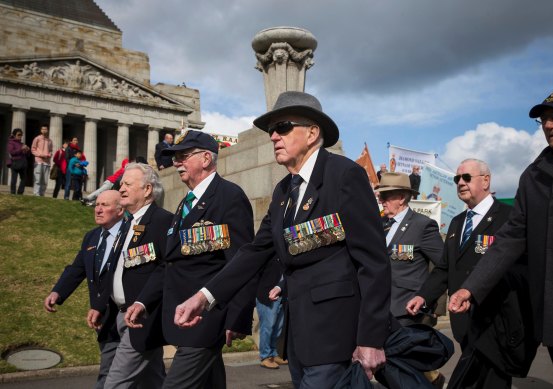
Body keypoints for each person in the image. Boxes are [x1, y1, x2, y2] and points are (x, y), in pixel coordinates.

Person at [173, 91, 396, 389]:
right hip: (298, 337)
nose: (273, 136)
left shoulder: (344, 175)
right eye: (271, 131)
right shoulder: (284, 191)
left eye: (283, 127)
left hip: (335, 334)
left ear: (313, 133)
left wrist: (370, 338)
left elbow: (373, 262)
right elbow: (255, 250)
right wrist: (205, 296)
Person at [449, 91, 553, 388]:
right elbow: (510, 238)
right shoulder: (534, 175)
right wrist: (470, 289)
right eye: (544, 119)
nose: (549, 125)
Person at [124, 130, 256, 389]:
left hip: (206, 320)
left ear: (206, 158)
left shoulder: (229, 197)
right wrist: (143, 301)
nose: (176, 163)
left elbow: (242, 262)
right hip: (182, 319)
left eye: (184, 156)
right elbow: (169, 262)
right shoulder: (185, 203)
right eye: (175, 158)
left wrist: (239, 315)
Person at [408, 159, 535, 388]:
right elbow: (444, 269)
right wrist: (424, 295)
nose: (460, 183)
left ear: (486, 180)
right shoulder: (457, 223)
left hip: (496, 323)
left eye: (467, 177)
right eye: (457, 179)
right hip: (465, 323)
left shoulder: (509, 218)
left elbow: (521, 268)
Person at [89, 163, 172, 389]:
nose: (121, 188)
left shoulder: (163, 221)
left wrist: (142, 302)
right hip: (121, 316)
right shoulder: (126, 224)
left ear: (147, 190)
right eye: (121, 183)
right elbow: (115, 271)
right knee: (153, 381)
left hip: (143, 319)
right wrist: (100, 304)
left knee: (114, 383)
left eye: (127, 184)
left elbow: (167, 267)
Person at [44, 190, 124, 389]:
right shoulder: (92, 237)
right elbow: (77, 268)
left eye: (105, 205)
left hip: (128, 315)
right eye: (97, 204)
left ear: (120, 210)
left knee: (113, 375)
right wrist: (58, 292)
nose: (98, 209)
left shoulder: (131, 234)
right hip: (104, 320)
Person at [376, 172, 445, 388]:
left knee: (397, 364)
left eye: (387, 195)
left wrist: (430, 299)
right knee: (391, 364)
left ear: (402, 197)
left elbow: (443, 266)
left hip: (407, 309)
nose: (381, 200)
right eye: (381, 194)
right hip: (382, 306)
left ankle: (430, 378)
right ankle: (432, 378)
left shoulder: (423, 225)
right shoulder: (381, 225)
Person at [256, 257, 287, 370]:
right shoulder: (268, 254)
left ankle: (273, 354)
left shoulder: (284, 253)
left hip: (282, 295)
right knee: (267, 327)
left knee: (278, 328)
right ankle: (265, 357)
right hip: (266, 295)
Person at [31, 124, 53, 196]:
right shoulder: (37, 138)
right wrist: (40, 155)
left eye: (45, 129)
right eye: (43, 129)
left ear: (48, 130)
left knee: (45, 180)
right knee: (38, 178)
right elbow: (33, 149)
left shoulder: (49, 140)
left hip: (47, 162)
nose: (44, 130)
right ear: (41, 130)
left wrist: (49, 155)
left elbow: (50, 150)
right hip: (39, 161)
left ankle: (42, 194)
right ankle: (36, 193)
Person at [6, 128, 30, 195]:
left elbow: (27, 155)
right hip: (15, 163)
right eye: (18, 135)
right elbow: (12, 152)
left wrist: (27, 150)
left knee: (24, 179)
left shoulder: (22, 143)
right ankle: (13, 192)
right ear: (14, 135)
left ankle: (20, 192)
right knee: (14, 179)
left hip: (23, 163)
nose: (20, 136)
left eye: (21, 135)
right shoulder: (11, 143)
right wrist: (21, 149)